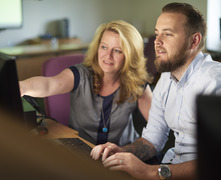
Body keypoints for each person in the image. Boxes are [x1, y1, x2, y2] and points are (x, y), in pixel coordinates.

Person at [90, 3, 221, 180]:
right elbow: (152, 139)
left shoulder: (216, 83)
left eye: (168, 34)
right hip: (172, 165)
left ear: (194, 41)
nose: (157, 41)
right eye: (157, 33)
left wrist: (150, 172)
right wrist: (122, 152)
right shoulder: (165, 79)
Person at [19, 20, 152, 146]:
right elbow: (49, 84)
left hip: (123, 155)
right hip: (82, 153)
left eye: (117, 50)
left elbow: (158, 127)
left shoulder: (137, 83)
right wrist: (23, 87)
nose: (108, 56)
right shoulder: (79, 74)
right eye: (104, 47)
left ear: (130, 55)